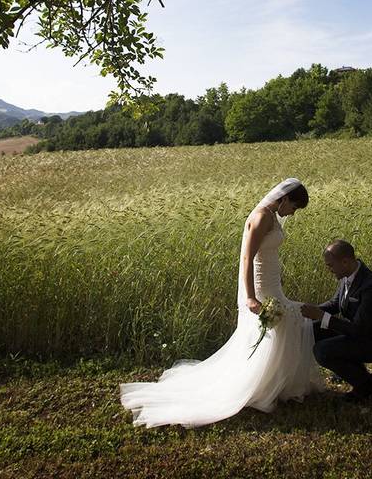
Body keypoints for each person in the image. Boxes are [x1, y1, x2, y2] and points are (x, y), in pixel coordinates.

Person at [120, 178, 325, 427]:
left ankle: (275, 385)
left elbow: (267, 253)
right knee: (287, 321)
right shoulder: (262, 217)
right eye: (293, 207)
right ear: (283, 199)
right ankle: (263, 386)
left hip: (273, 283)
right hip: (262, 287)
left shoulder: (271, 216)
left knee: (285, 324)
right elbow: (248, 258)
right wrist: (250, 296)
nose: (292, 213)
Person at [300, 240, 372, 403]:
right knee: (312, 330)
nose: (329, 270)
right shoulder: (347, 275)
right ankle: (356, 370)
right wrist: (305, 311)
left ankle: (366, 384)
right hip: (355, 334)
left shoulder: (371, 287)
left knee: (322, 351)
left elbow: (359, 329)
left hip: (371, 342)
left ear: (345, 262)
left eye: (330, 266)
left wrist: (320, 315)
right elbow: (335, 304)